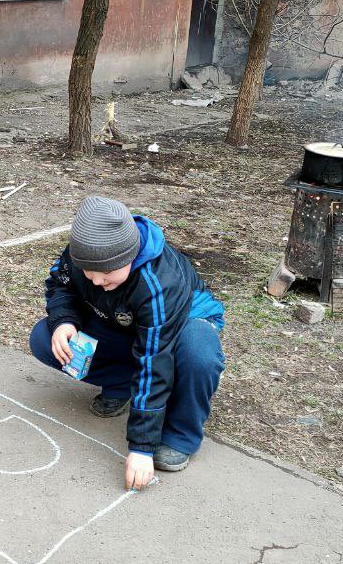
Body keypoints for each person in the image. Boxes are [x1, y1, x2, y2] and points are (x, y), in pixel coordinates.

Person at [29, 196, 225, 491]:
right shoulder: (84, 254)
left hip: (181, 325)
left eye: (106, 274)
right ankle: (123, 386)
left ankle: (181, 434)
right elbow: (62, 285)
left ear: (128, 257)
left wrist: (142, 448)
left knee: (198, 353)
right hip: (124, 320)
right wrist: (65, 321)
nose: (96, 281)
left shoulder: (157, 283)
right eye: (89, 274)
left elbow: (154, 358)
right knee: (45, 339)